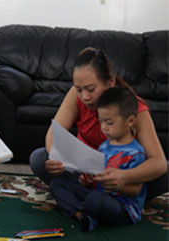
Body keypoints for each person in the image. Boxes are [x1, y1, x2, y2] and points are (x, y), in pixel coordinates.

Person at [29, 47, 167, 199]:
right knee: (39, 158)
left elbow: (158, 162)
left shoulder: (135, 109)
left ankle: (87, 195)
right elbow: (54, 132)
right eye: (79, 90)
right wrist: (56, 158)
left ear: (111, 82)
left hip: (119, 176)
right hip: (84, 173)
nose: (85, 97)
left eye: (91, 89)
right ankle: (94, 195)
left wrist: (124, 177)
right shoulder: (75, 95)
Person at [50, 87, 146, 232]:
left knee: (95, 199)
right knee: (57, 184)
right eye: (101, 122)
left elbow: (135, 190)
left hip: (122, 206)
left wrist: (116, 185)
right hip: (98, 195)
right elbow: (95, 178)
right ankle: (81, 215)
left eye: (109, 123)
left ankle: (80, 209)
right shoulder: (104, 146)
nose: (104, 128)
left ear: (130, 121)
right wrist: (87, 179)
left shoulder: (136, 153)